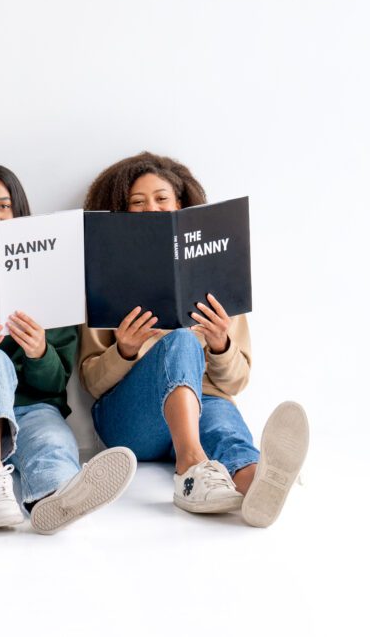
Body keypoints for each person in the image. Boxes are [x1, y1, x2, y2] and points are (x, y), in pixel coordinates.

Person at [80, 152, 309, 527]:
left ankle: (256, 484)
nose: (151, 208)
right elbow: (91, 381)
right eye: (137, 203)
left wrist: (220, 344)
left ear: (180, 204)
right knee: (183, 341)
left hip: (205, 402)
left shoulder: (214, 272)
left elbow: (235, 382)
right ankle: (192, 466)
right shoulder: (101, 273)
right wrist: (125, 350)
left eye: (161, 199)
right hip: (131, 421)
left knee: (226, 428)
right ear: (121, 212)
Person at [0, 165, 137, 534]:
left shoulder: (51, 277)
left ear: (18, 213)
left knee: (54, 445)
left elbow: (56, 382)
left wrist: (39, 352)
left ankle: (56, 497)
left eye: (3, 206)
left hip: (33, 413)